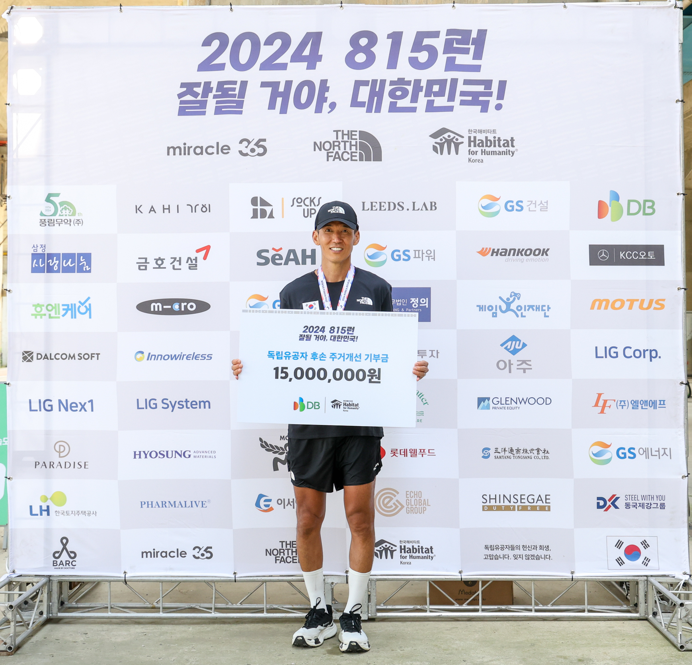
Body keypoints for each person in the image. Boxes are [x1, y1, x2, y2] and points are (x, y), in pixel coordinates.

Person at [232, 201, 428, 652]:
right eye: (328, 230)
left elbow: (390, 352)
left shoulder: (377, 288)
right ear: (316, 237)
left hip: (360, 424)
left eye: (344, 230)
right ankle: (319, 610)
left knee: (360, 518)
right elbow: (278, 352)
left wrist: (410, 369)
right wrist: (252, 368)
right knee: (307, 519)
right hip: (309, 424)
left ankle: (353, 614)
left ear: (356, 237)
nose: (336, 238)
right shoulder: (294, 291)